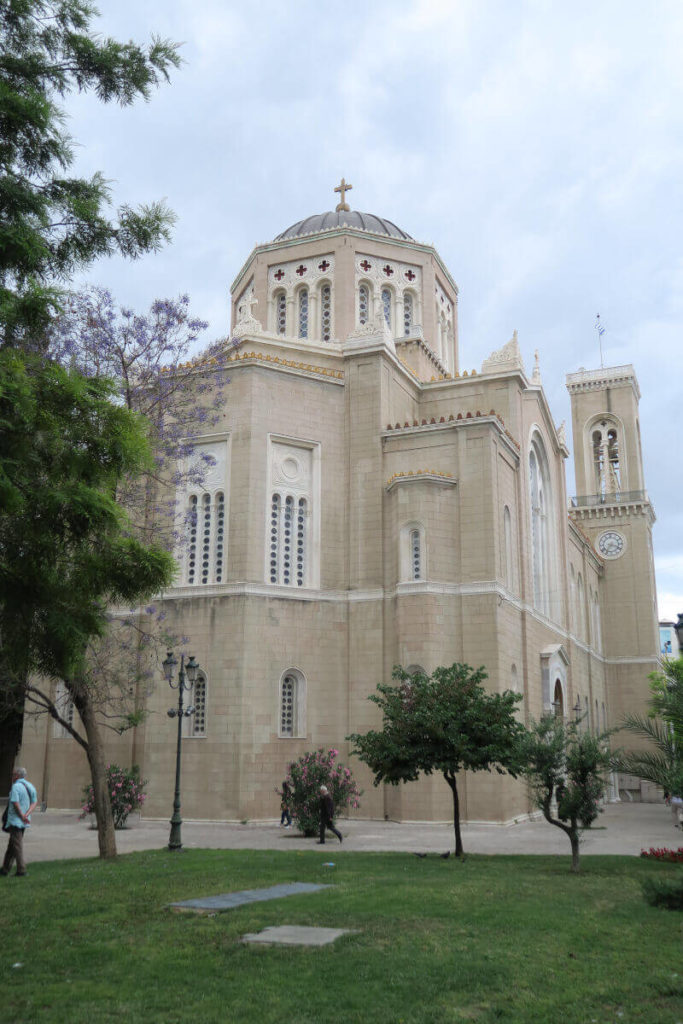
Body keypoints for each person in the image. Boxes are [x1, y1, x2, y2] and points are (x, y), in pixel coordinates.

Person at [1, 767, 38, 877]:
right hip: (24, 821)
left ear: (17, 776)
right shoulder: (30, 786)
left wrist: (22, 815)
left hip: (15, 821)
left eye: (13, 775)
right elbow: (34, 802)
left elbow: (15, 803)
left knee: (17, 846)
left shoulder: (16, 787)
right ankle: (5, 869)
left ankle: (21, 870)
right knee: (12, 845)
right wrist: (27, 814)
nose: (12, 777)